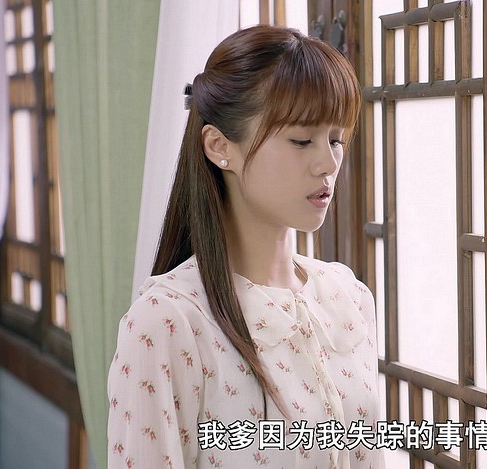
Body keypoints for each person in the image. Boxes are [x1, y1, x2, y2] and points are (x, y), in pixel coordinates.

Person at [107, 25, 384, 469]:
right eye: (301, 140)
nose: (328, 163)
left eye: (336, 139)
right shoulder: (168, 322)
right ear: (220, 147)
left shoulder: (348, 298)